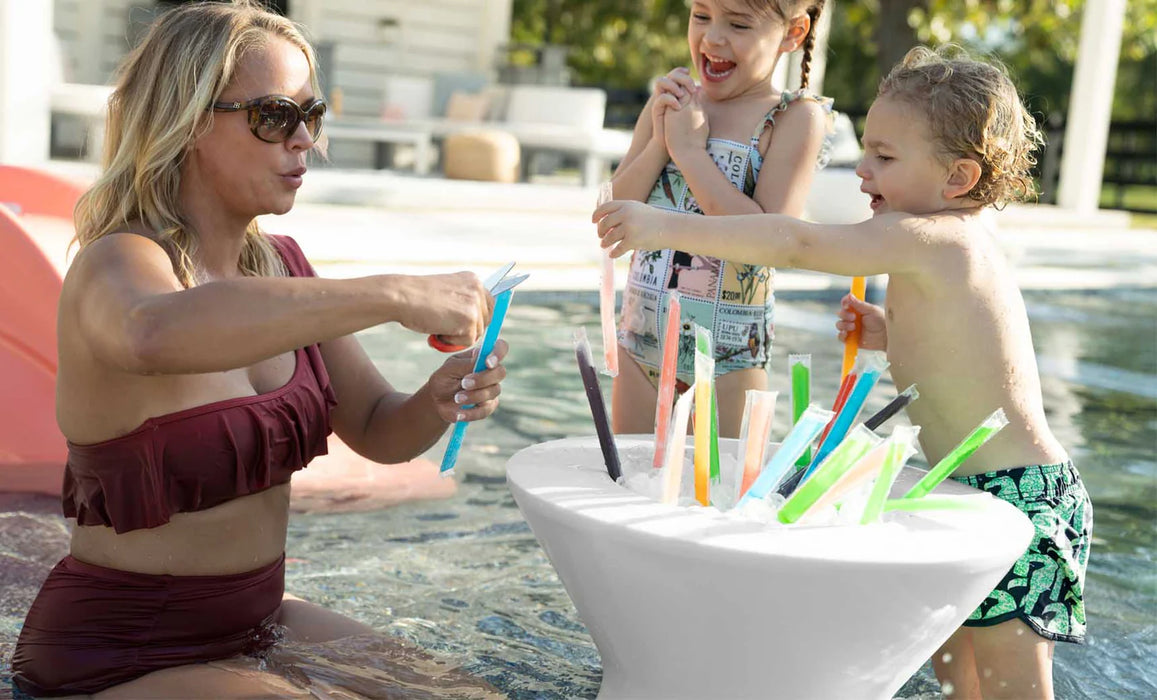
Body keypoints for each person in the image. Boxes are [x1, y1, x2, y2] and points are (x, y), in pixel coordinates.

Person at [11, 1, 507, 696]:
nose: (304, 140)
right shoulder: (116, 265)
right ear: (185, 121)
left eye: (313, 114)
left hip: (256, 623)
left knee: (467, 695)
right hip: (119, 650)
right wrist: (394, 291)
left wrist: (438, 397)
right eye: (275, 116)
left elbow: (377, 429)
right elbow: (155, 331)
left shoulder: (286, 269)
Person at [595, 46, 1092, 699]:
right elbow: (978, 356)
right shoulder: (944, 242)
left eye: (883, 158)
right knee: (957, 682)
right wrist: (892, 335)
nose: (861, 171)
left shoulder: (931, 238)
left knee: (1010, 689)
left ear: (957, 177)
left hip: (1021, 495)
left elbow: (795, 243)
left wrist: (665, 225)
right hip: (968, 490)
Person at [608, 0, 835, 437]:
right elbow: (612, 214)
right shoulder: (671, 104)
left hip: (730, 359)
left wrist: (691, 154)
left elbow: (766, 241)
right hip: (641, 344)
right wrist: (661, 141)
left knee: (715, 497)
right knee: (629, 488)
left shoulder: (794, 119)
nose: (712, 37)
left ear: (793, 33)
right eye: (701, 16)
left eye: (738, 23)